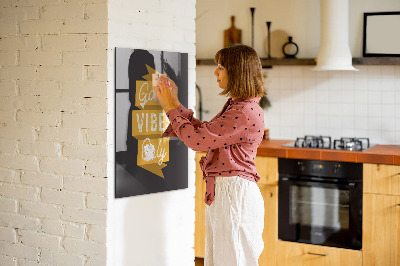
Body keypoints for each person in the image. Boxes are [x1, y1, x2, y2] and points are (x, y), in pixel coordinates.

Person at [154, 44, 266, 266]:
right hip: (229, 193)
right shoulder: (239, 106)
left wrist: (169, 108)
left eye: (221, 67)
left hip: (234, 195)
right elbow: (205, 133)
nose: (215, 72)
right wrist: (175, 104)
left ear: (237, 72)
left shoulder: (243, 111)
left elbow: (197, 141)